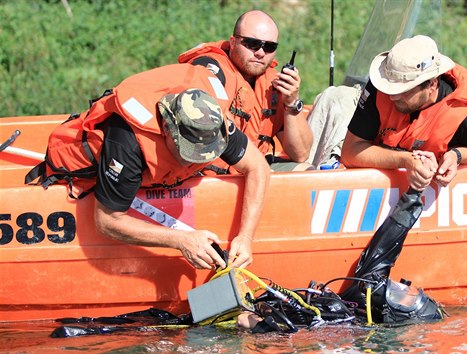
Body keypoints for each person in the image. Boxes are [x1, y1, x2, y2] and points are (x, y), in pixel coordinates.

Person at [26, 63, 270, 270]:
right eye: (189, 153)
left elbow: (258, 167)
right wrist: (182, 241)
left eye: (203, 154)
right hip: (85, 174)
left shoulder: (211, 122)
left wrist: (245, 237)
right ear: (166, 128)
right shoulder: (127, 141)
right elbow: (107, 220)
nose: (195, 161)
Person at [341, 35, 467, 191]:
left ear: (432, 85)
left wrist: (457, 155)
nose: (392, 96)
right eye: (391, 87)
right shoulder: (380, 88)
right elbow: (350, 152)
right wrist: (406, 161)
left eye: (404, 90)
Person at [179, 10, 314, 172]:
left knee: (306, 170)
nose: (260, 53)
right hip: (207, 174)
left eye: (269, 47)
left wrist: (292, 103)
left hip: (253, 169)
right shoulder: (209, 68)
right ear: (233, 41)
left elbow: (300, 154)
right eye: (252, 43)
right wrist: (255, 168)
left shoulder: (274, 84)